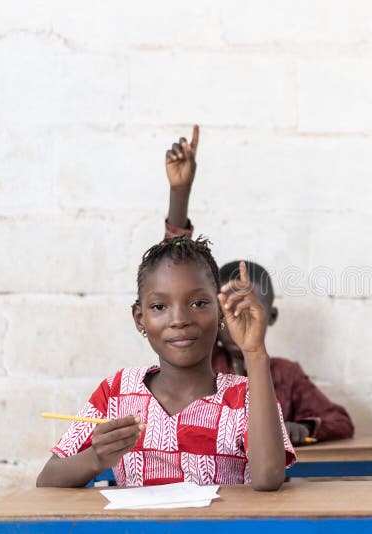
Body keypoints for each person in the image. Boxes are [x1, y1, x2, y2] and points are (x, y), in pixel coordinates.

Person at [37, 237, 295, 488]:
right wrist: (97, 458)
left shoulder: (246, 396)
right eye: (160, 306)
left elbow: (268, 477)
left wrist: (255, 351)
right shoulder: (116, 392)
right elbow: (48, 479)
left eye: (198, 303)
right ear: (140, 319)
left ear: (220, 313)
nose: (179, 319)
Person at [163, 126, 354, 445]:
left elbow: (340, 421)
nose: (238, 322)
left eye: (250, 311)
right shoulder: (203, 363)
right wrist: (179, 195)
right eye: (228, 311)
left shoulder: (286, 374)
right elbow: (173, 270)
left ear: (271, 316)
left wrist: (303, 427)